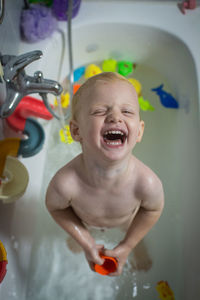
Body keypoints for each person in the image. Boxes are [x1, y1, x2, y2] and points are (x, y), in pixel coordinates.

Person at [45, 72, 164, 276]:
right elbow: (56, 208)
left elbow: (152, 210)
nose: (116, 117)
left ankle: (133, 246)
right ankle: (83, 239)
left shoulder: (146, 183)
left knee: (132, 234)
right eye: (100, 111)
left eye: (127, 111)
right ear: (76, 131)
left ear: (140, 131)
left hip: (126, 219)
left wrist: (128, 244)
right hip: (83, 219)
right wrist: (85, 239)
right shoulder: (67, 183)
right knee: (77, 241)